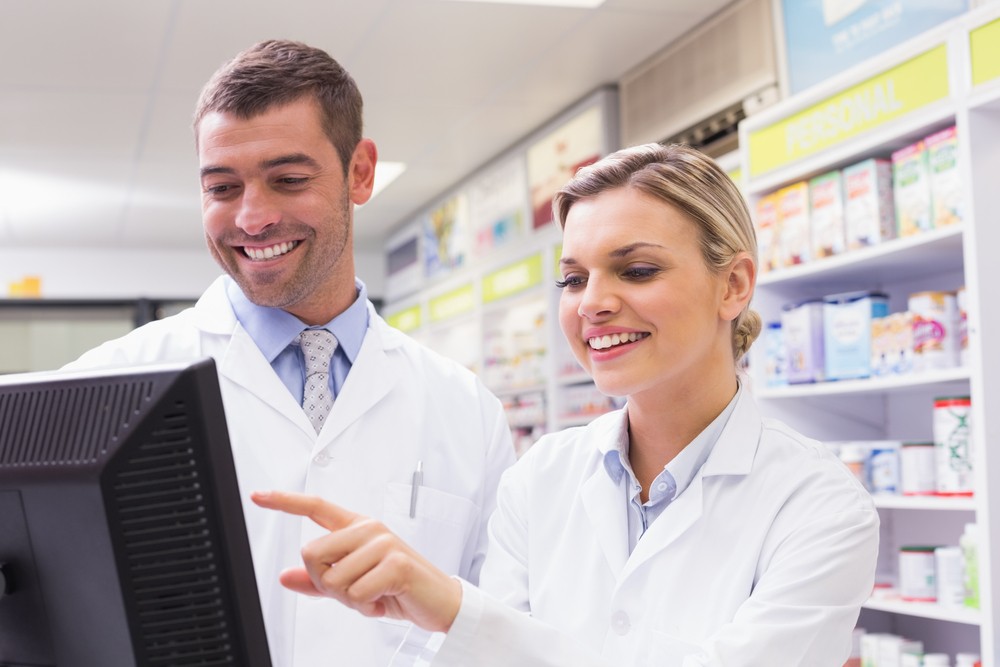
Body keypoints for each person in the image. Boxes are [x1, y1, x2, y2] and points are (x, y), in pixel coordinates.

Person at [253, 143, 881, 666]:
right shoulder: (540, 478)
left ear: (734, 285)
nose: (591, 304)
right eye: (574, 279)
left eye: (635, 270)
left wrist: (454, 608)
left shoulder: (819, 504)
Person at [63, 39, 516, 667]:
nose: (251, 218)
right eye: (222, 187)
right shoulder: (105, 387)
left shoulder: (466, 409)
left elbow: (500, 628)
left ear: (360, 172)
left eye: (289, 180)